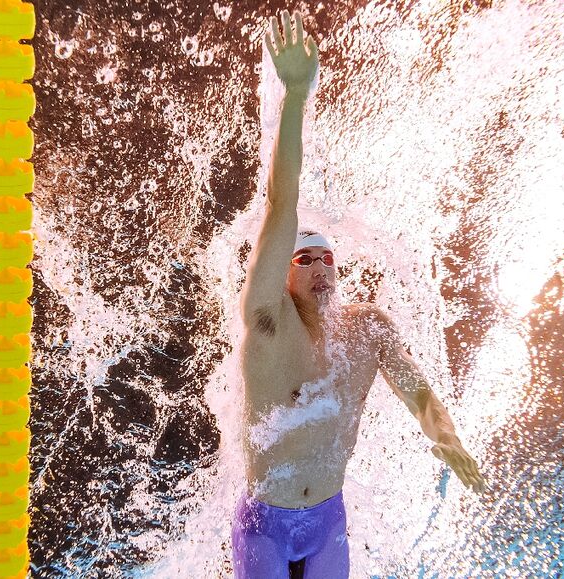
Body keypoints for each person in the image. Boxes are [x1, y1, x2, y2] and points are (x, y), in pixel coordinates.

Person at [232, 9, 486, 579]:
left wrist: (443, 435)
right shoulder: (267, 322)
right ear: (284, 273)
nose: (321, 269)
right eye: (305, 260)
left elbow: (419, 393)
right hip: (264, 527)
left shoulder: (366, 330)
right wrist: (297, 97)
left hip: (327, 520)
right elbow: (281, 205)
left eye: (328, 259)